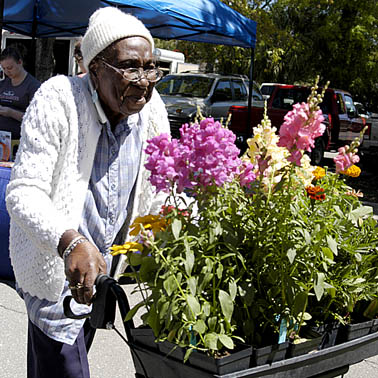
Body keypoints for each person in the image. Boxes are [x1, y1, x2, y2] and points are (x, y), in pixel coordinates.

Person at [6, 7, 169, 378]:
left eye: (150, 67)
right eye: (130, 67)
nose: (143, 81)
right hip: (54, 274)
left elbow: (162, 184)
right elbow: (23, 191)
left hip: (103, 277)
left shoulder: (150, 109)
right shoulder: (59, 99)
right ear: (94, 69)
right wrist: (70, 243)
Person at [0, 46, 41, 141]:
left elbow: (36, 119)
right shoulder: (3, 84)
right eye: (3, 68)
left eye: (10, 68)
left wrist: (11, 113)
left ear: (20, 62)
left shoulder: (33, 86)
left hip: (20, 141)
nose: (7, 72)